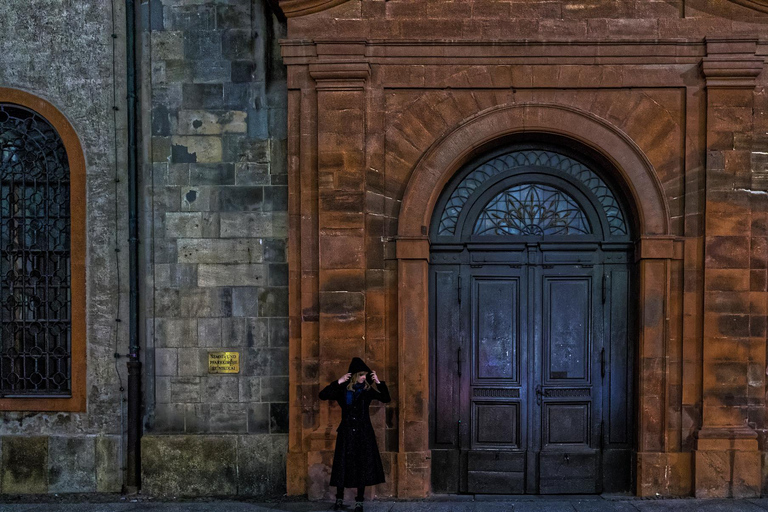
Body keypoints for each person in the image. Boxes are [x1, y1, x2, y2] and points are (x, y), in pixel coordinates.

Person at [319, 357, 391, 512]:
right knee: (342, 464)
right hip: (346, 431)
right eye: (361, 375)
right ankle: (339, 499)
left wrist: (378, 381)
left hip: (363, 433)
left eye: (365, 375)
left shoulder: (367, 391)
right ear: (354, 376)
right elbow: (323, 395)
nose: (364, 378)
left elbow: (386, 398)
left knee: (362, 466)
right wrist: (338, 381)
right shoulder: (343, 390)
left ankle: (359, 502)